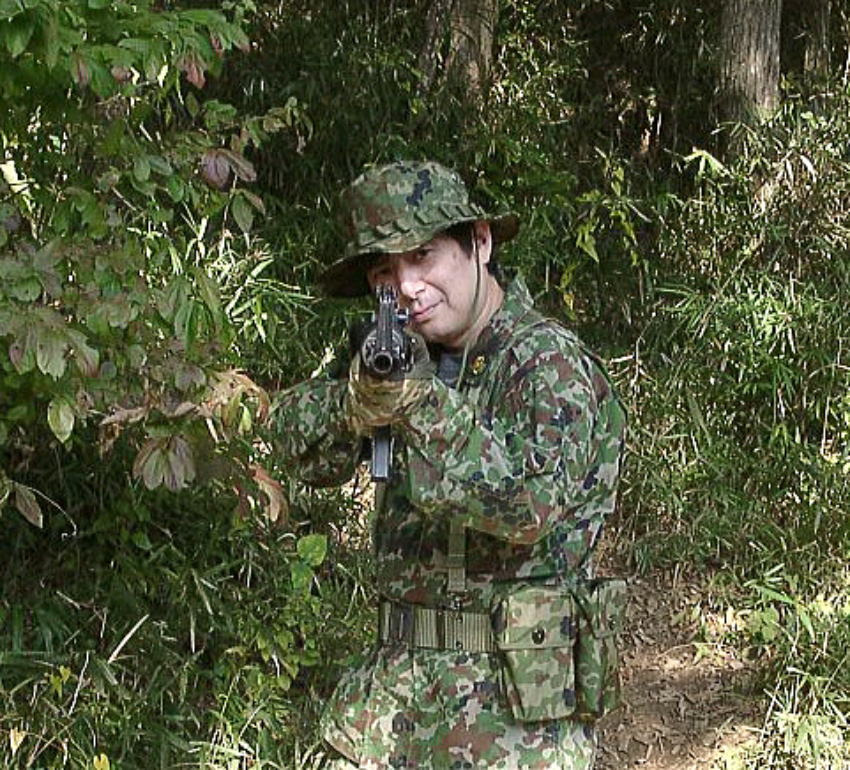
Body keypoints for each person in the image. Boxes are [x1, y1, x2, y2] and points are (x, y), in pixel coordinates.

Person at [271, 160, 627, 769]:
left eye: (422, 256)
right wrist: (355, 404)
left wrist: (421, 403)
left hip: (512, 719)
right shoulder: (397, 353)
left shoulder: (546, 363)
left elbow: (528, 506)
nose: (407, 286)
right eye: (384, 271)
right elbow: (294, 445)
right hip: (392, 702)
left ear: (479, 242)